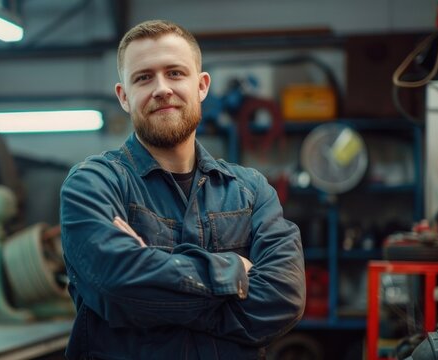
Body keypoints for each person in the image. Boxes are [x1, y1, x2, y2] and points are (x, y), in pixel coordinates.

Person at [59, 19, 305, 360]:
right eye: (143, 77)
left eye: (175, 73)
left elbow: (283, 298)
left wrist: (151, 283)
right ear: (124, 96)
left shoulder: (250, 191)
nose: (161, 88)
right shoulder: (94, 184)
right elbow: (115, 284)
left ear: (202, 86)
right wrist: (232, 271)